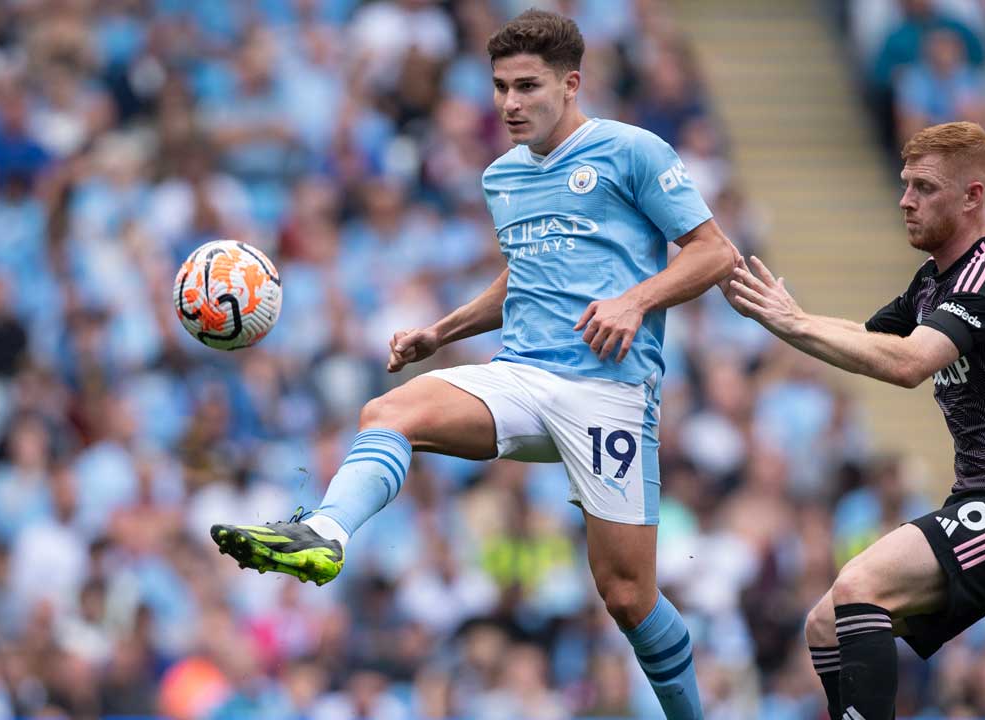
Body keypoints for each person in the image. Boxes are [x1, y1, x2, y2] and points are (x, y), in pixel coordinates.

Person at [210, 10, 737, 720]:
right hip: (519, 375)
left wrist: (635, 300)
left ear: (572, 84)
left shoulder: (632, 151)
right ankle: (327, 535)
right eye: (500, 88)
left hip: (609, 393)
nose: (510, 104)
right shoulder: (503, 177)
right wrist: (441, 330)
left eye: (527, 87)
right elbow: (526, 276)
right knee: (389, 411)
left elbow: (713, 252)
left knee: (628, 596)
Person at [725, 121, 985, 720]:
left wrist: (795, 325)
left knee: (860, 586)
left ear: (974, 197)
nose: (905, 200)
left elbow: (911, 362)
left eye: (924, 188)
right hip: (980, 495)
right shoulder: (932, 283)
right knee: (825, 623)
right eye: (904, 184)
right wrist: (788, 316)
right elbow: (866, 338)